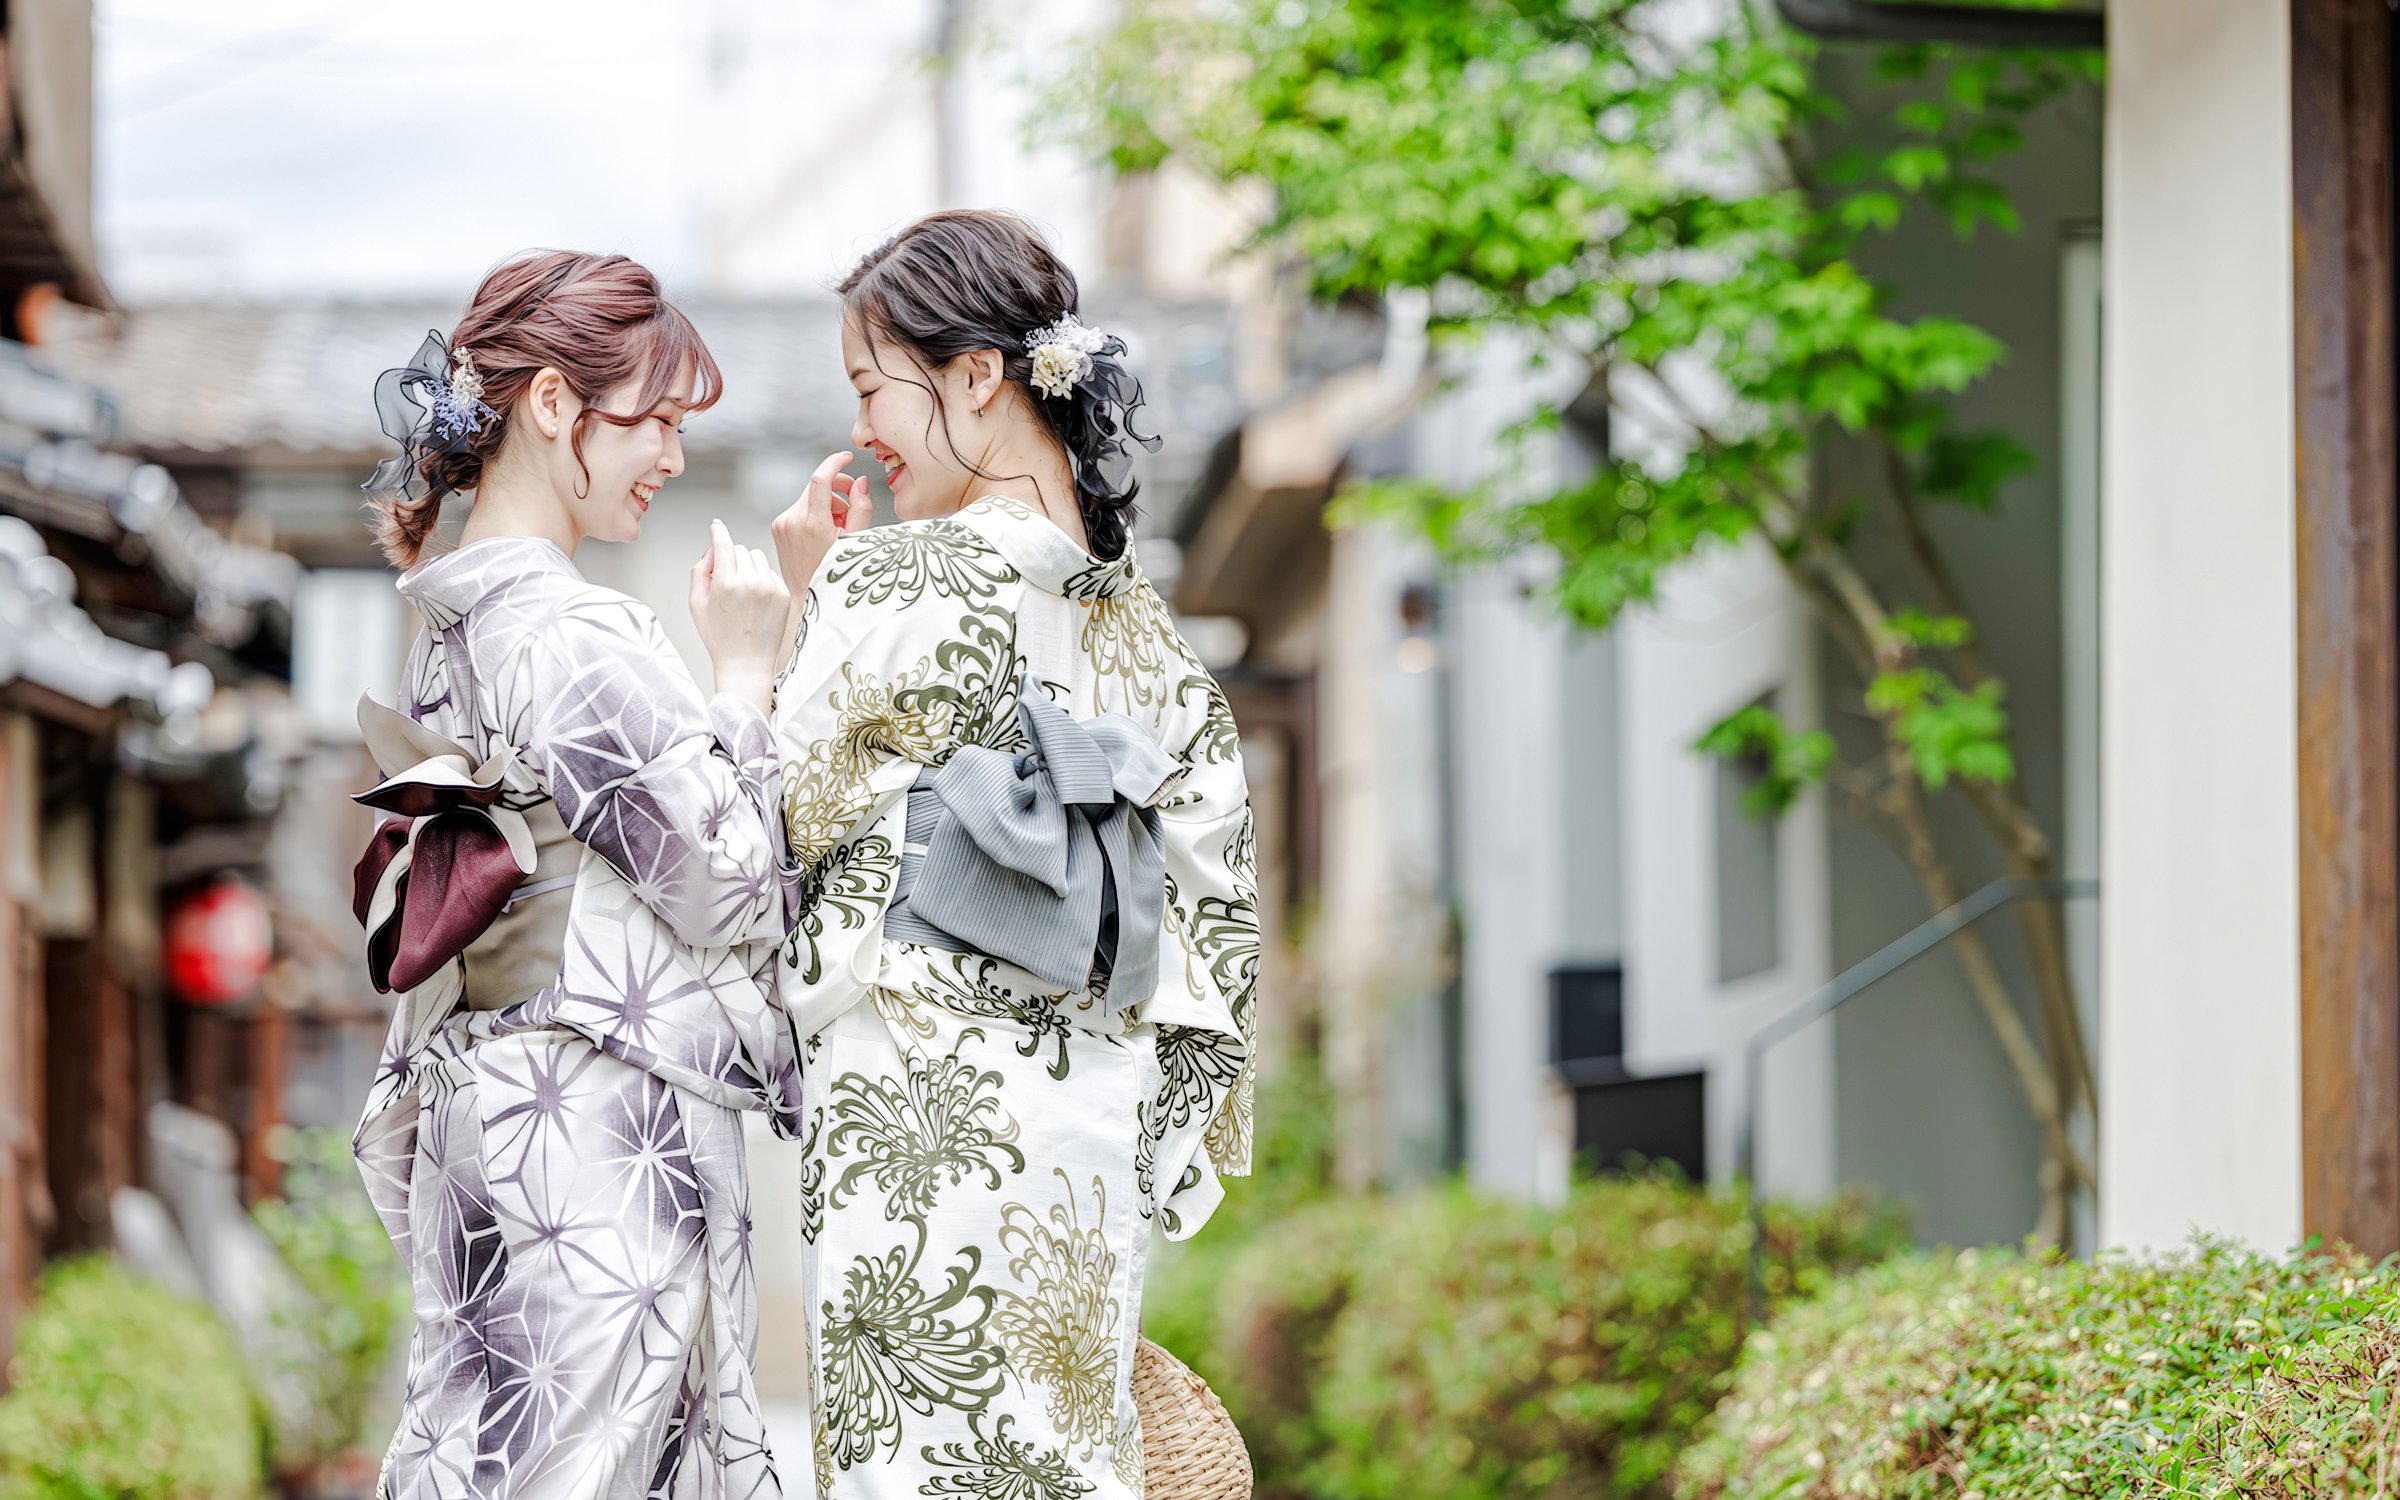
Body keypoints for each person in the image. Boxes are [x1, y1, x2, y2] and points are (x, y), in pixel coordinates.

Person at [762, 209, 1260, 1500]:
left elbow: (784, 824)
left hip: (912, 1115)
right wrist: (1141, 1112)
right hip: (1083, 1131)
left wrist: (800, 604)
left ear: (977, 376)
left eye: (875, 385)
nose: (865, 425)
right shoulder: (1148, 635)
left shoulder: (882, 586)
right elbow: (1219, 913)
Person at [350, 250, 805, 1500]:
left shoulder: (457, 628)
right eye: (650, 420)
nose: (667, 453)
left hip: (493, 1106)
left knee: (500, 1451)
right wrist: (748, 677)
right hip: (594, 1123)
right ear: (551, 404)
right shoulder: (573, 632)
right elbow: (728, 882)